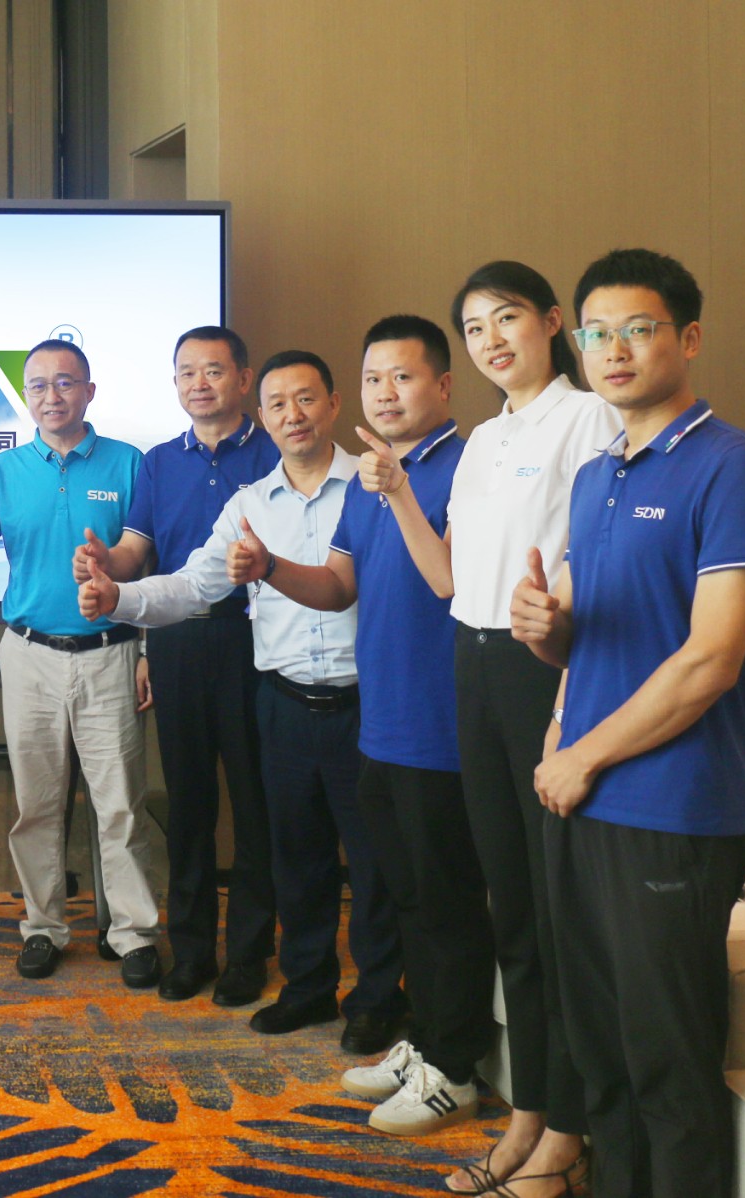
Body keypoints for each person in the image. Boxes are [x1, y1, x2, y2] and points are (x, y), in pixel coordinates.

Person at [358, 262, 614, 1191]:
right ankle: (530, 1114)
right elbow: (446, 579)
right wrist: (397, 492)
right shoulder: (483, 441)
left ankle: (567, 1134)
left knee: (556, 916)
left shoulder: (588, 419)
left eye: (506, 318)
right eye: (473, 328)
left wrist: (564, 684)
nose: (491, 340)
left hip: (542, 665)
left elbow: (600, 559)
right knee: (514, 912)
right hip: (471, 662)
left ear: (553, 322)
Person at [512, 248, 745, 1198]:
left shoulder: (728, 466)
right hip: (582, 794)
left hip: (671, 803)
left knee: (668, 1060)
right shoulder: (595, 472)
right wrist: (546, 634)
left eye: (638, 329)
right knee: (601, 1048)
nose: (614, 349)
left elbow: (712, 657)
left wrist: (583, 756)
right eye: (597, 332)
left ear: (687, 338)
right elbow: (584, 637)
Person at [80, 350, 404, 1036]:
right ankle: (309, 987)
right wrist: (120, 598)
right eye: (279, 404)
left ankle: (378, 1000)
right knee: (299, 858)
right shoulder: (249, 504)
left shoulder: (375, 486)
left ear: (333, 404)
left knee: (376, 862)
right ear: (264, 414)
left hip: (367, 705)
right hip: (282, 702)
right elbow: (192, 585)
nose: (294, 415)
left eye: (306, 399)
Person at [224, 318, 494, 1136]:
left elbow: (451, 579)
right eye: (375, 378)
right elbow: (340, 586)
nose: (386, 393)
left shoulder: (468, 468)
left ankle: (456, 1068)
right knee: (408, 900)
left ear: (443, 385)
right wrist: (270, 567)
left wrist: (399, 490)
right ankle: (428, 1039)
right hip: (383, 726)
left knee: (446, 905)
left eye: (402, 377)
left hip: (443, 729)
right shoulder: (369, 483)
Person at [0, 337, 163, 988]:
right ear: (26, 397)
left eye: (66, 383)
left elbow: (147, 564)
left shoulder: (130, 464)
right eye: (39, 386)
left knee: (121, 806)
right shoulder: (6, 469)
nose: (52, 396)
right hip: (28, 656)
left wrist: (145, 647)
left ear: (90, 392)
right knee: (37, 805)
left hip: (109, 652)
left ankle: (132, 934)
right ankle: (44, 928)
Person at [74, 325, 279, 1006]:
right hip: (178, 642)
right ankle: (191, 952)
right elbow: (139, 555)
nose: (199, 383)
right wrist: (106, 564)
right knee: (189, 806)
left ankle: (248, 954)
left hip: (256, 640)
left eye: (213, 370)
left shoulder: (276, 452)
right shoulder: (160, 462)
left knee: (254, 806)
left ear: (242, 379)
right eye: (187, 372)